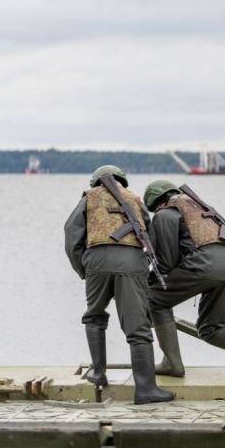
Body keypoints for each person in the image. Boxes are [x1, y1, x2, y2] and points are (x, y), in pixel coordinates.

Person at [63, 165, 174, 404]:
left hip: (97, 260)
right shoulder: (134, 199)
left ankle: (99, 372)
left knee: (94, 315)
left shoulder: (88, 197)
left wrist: (84, 268)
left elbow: (72, 235)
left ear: (95, 182)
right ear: (122, 180)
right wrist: (142, 267)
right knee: (138, 328)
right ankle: (145, 390)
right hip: (132, 263)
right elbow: (150, 237)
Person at [143, 180, 225, 378]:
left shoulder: (164, 215)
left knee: (155, 300)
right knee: (210, 328)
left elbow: (166, 263)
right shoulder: (202, 211)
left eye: (154, 209)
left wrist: (148, 280)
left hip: (203, 266)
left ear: (157, 203)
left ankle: (172, 363)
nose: (156, 213)